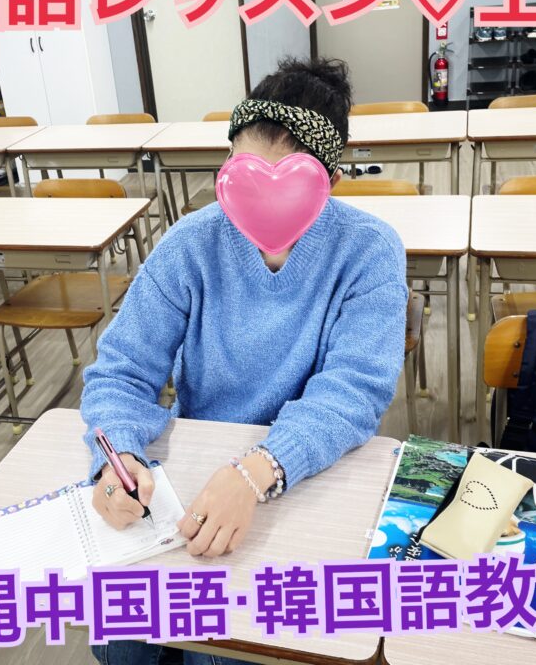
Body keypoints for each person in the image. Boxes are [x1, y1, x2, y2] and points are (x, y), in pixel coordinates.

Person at [82, 57, 407, 665]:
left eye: (287, 185)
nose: (262, 206)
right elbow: (122, 369)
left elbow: (353, 392)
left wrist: (257, 472)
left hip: (307, 472)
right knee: (118, 640)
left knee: (224, 652)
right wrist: (118, 455)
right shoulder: (192, 243)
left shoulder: (369, 252)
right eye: (244, 179)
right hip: (193, 472)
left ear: (332, 180)